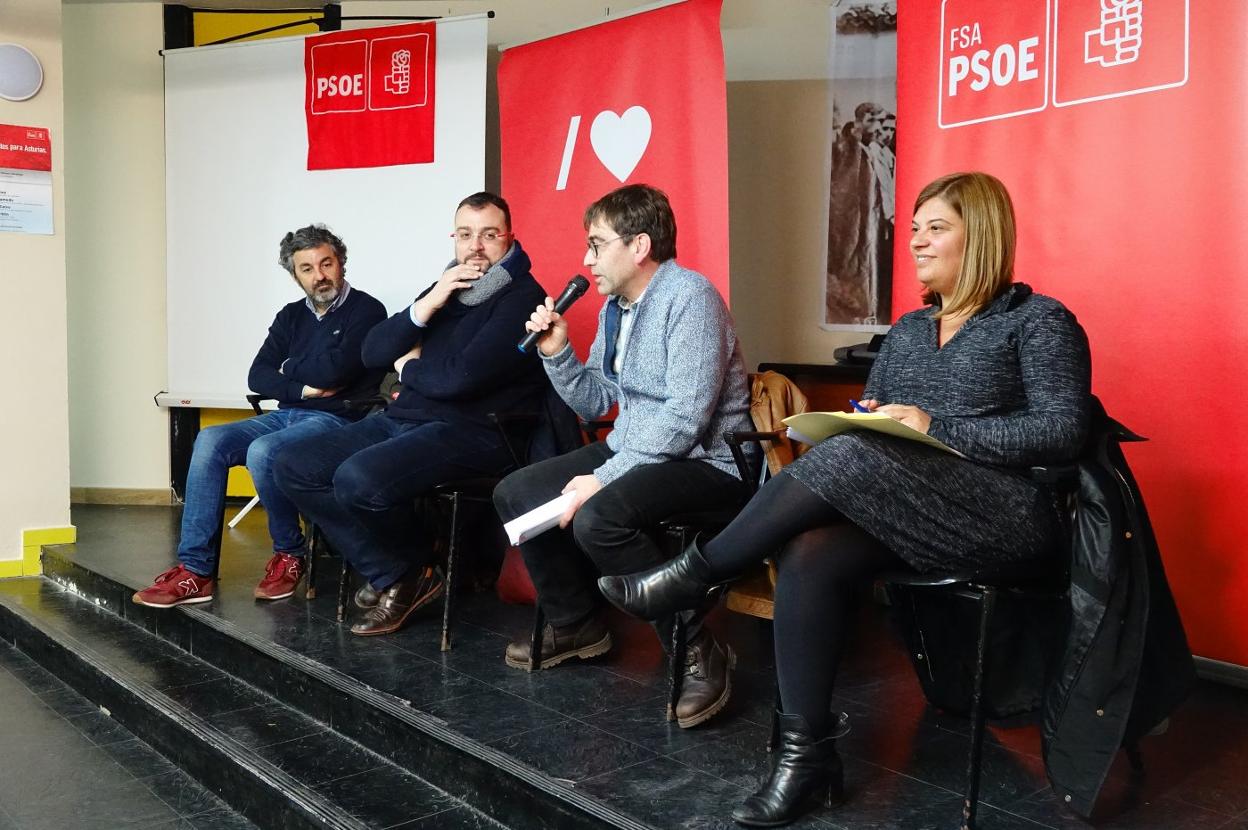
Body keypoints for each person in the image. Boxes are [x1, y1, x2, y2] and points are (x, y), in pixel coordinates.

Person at [599, 172, 1092, 826]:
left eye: (935, 228)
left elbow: (1064, 431)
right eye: (913, 227)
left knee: (855, 454)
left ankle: (699, 574)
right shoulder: (911, 330)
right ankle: (806, 760)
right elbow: (878, 414)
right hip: (908, 508)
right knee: (812, 549)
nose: (915, 240)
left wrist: (934, 426)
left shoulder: (1037, 322)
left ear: (984, 236)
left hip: (1005, 517)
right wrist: (872, 416)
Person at [492, 183, 755, 729]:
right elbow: (596, 400)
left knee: (600, 515)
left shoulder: (691, 298)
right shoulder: (617, 309)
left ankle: (695, 648)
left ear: (638, 246)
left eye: (596, 244)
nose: (586, 260)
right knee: (516, 492)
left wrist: (603, 477)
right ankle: (576, 622)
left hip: (712, 462)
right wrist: (557, 352)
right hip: (640, 451)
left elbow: (686, 420)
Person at [274, 192, 548, 637]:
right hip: (409, 418)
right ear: (454, 239)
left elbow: (458, 380)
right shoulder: (448, 287)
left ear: (509, 238)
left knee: (358, 479)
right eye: (465, 235)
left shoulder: (523, 297)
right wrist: (431, 300)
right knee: (291, 463)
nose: (475, 246)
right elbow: (373, 351)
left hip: (477, 431)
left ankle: (405, 575)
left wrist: (409, 365)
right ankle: (403, 572)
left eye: (489, 235)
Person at [133, 225, 387, 608]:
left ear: (341, 263)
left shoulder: (367, 310)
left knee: (263, 451)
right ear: (294, 275)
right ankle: (195, 571)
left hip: (337, 420)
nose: (319, 276)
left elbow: (336, 372)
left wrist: (289, 367)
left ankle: (290, 554)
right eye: (306, 268)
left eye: (326, 263)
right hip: (289, 413)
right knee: (210, 440)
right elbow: (259, 375)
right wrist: (301, 385)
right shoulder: (290, 317)